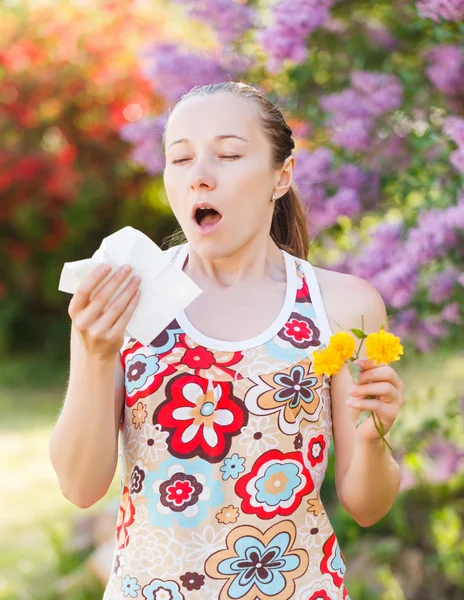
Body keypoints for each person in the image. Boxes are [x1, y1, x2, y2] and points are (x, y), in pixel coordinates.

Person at [49, 81, 405, 600]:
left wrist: (374, 437)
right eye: (181, 159)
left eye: (229, 154)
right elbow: (79, 488)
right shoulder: (128, 299)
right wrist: (94, 352)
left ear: (280, 177)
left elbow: (367, 506)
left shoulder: (345, 306)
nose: (200, 177)